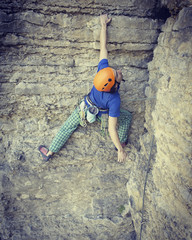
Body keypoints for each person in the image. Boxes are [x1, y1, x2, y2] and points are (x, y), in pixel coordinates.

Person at [38, 14, 132, 163]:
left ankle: (49, 152)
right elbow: (111, 128)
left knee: (68, 126)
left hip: (85, 108)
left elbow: (103, 47)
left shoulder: (103, 72)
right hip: (102, 115)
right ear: (114, 84)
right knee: (127, 117)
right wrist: (120, 150)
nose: (119, 71)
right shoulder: (114, 100)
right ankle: (120, 143)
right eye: (117, 74)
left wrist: (103, 26)